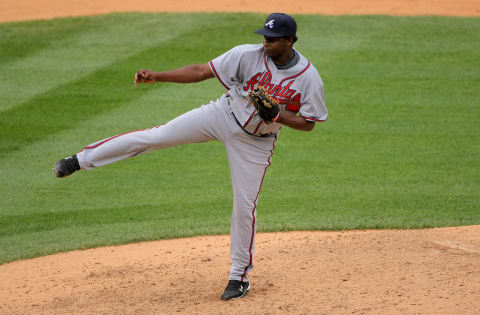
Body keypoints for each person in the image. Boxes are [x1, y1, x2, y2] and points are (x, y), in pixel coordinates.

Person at [53, 12, 327, 300]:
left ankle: (239, 277)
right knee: (157, 136)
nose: (265, 42)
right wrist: (158, 76)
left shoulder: (308, 78)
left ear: (289, 40)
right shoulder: (247, 55)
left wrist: (279, 116)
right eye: (264, 37)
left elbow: (308, 122)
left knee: (245, 206)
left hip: (256, 143)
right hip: (222, 114)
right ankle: (80, 160)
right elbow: (200, 71)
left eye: (272, 39)